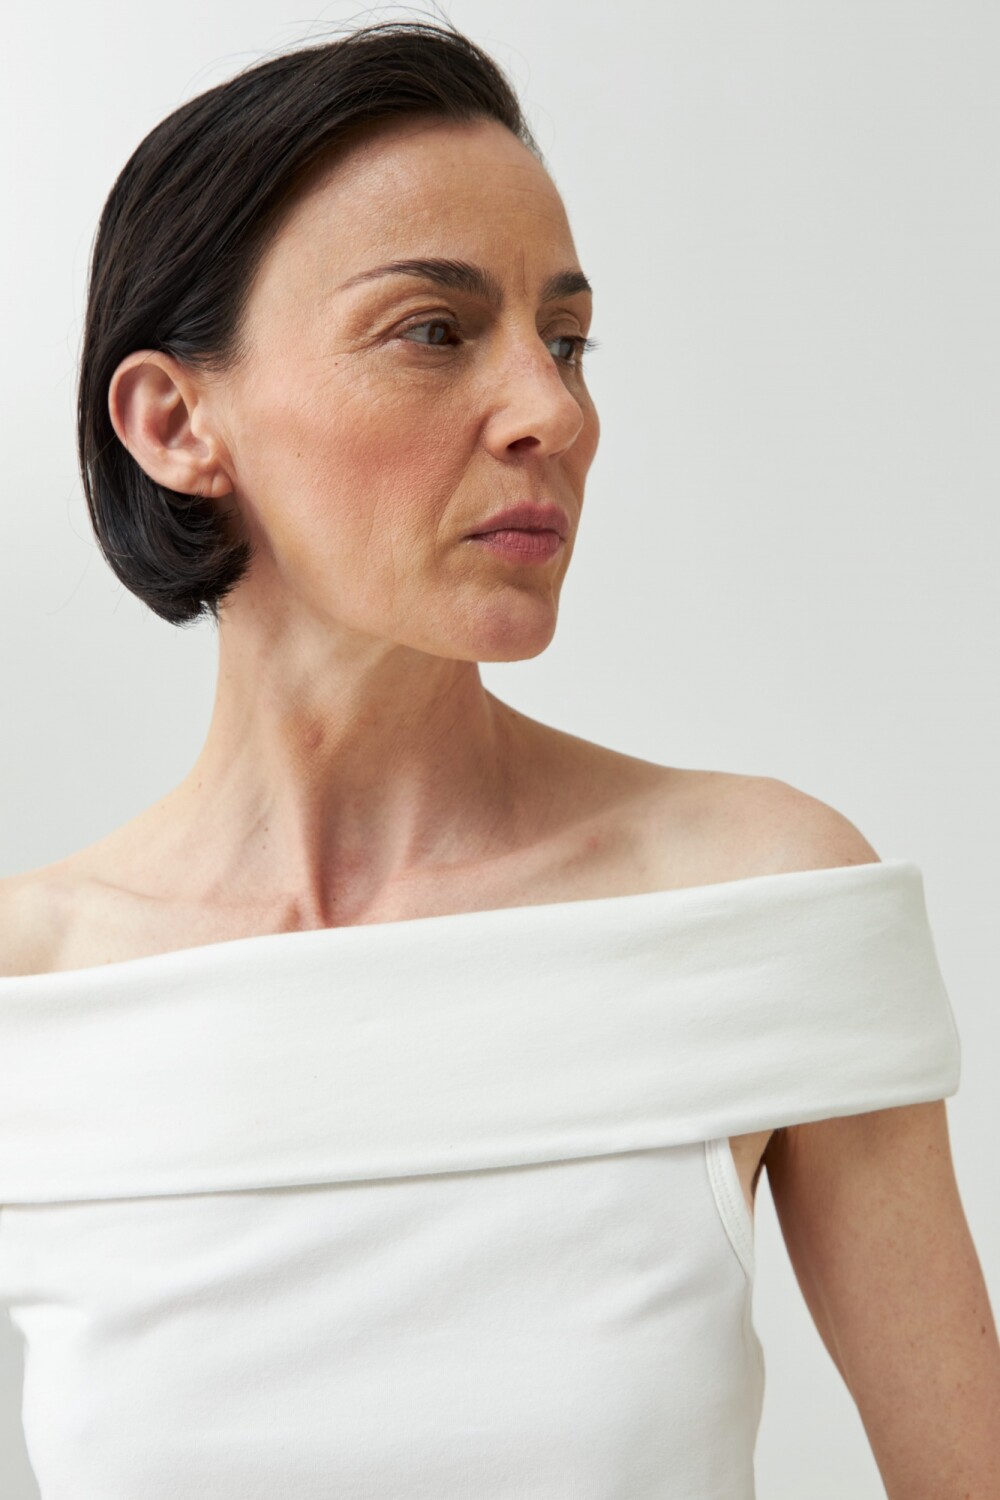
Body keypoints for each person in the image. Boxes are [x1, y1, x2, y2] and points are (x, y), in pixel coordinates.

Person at [0, 17, 997, 1498]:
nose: (553, 412)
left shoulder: (762, 901)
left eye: (567, 341)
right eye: (434, 331)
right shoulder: (29, 997)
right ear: (175, 421)